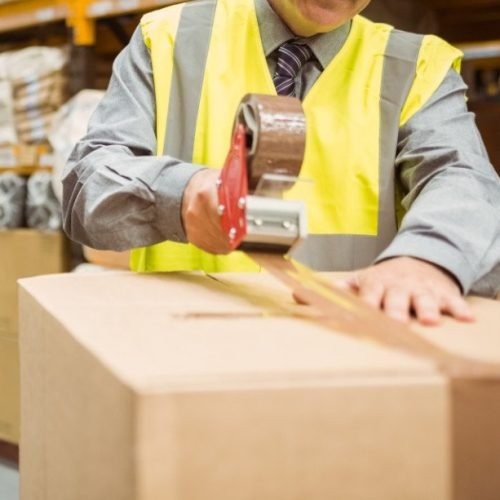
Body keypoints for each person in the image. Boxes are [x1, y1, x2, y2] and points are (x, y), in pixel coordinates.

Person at [62, 0, 500, 326]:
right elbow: (88, 187)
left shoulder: (418, 67)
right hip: (185, 345)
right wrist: (180, 194)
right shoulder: (169, 38)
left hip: (350, 357)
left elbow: (464, 180)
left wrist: (427, 260)